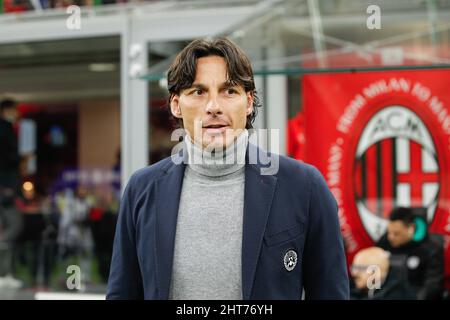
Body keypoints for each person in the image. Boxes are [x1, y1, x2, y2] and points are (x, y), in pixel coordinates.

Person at [107, 38, 349, 300]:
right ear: (176, 104)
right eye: (198, 92)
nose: (214, 107)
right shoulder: (142, 189)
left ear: (248, 102)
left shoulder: (304, 187)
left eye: (229, 91)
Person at [377, 207, 444, 300]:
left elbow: (432, 285)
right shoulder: (384, 243)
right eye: (388, 232)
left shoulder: (429, 250)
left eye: (396, 233)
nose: (390, 237)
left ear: (411, 228)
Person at [0, 98, 23, 288]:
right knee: (14, 224)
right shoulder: (5, 129)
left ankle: (5, 273)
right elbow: (8, 158)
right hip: (5, 187)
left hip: (5, 186)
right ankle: (4, 272)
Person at [350, 247, 416, 300]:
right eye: (354, 267)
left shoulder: (397, 294)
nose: (354, 273)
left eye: (361, 268)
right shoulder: (355, 285)